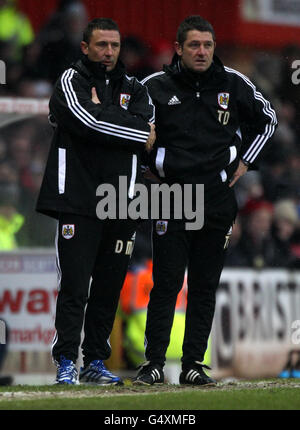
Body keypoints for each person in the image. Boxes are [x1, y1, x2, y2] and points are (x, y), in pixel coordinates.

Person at [133, 15, 277, 386]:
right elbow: (131, 125)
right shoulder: (155, 86)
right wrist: (146, 166)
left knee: (204, 284)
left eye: (208, 45)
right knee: (166, 282)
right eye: (194, 45)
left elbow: (268, 119)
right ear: (179, 49)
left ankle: (193, 364)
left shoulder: (233, 82)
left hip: (216, 195)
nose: (202, 52)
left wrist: (246, 161)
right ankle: (152, 363)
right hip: (172, 195)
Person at [36, 17, 155, 385]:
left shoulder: (136, 89)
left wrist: (104, 117)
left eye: (114, 46)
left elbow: (148, 133)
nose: (108, 52)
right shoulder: (70, 82)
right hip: (77, 199)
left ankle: (95, 362)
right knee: (74, 285)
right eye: (101, 45)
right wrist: (128, 129)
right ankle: (66, 361)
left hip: (122, 202)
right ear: (85, 47)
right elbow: (90, 124)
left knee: (107, 287)